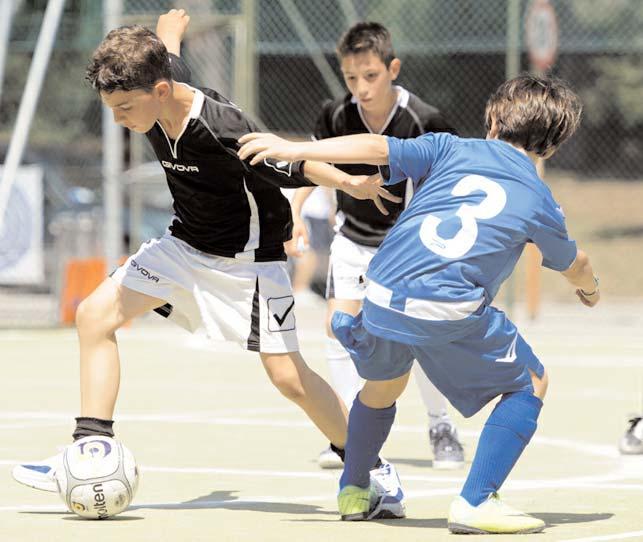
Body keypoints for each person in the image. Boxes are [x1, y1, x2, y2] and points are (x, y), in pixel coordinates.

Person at [12, 9, 407, 519]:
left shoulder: (221, 129)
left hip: (248, 262)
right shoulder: (157, 87)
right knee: (94, 315)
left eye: (124, 108)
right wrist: (169, 25)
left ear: (159, 90)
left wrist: (352, 184)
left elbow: (295, 160)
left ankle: (370, 467)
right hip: (184, 246)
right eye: (111, 109)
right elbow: (167, 48)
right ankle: (91, 449)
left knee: (288, 377)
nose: (119, 120)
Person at [239, 73, 599, 533]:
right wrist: (589, 290)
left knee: (382, 387)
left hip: (382, 292)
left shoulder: (450, 147)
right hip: (446, 308)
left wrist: (294, 148)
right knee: (532, 381)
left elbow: (376, 148)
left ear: (492, 119)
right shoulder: (538, 198)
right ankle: (477, 500)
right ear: (551, 147)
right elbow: (575, 263)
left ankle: (353, 490)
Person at [289, 22, 465, 470]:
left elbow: (450, 185)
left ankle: (440, 423)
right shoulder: (334, 115)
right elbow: (309, 165)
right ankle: (352, 436)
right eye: (351, 78)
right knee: (337, 324)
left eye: (370, 76)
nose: (361, 88)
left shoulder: (424, 119)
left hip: (408, 245)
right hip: (352, 238)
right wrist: (293, 212)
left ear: (393, 69)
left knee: (417, 337)